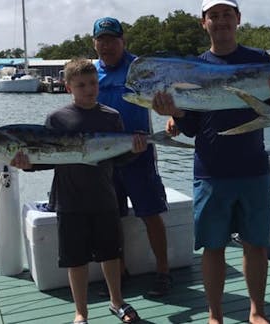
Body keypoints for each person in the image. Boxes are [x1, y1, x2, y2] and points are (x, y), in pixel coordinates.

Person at [151, 1, 270, 323]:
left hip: (254, 168)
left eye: (227, 14)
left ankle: (257, 312)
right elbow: (191, 128)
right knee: (212, 249)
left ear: (238, 19)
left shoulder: (260, 60)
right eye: (213, 15)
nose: (221, 20)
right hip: (211, 171)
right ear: (204, 23)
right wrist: (175, 112)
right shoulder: (191, 69)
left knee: (256, 245)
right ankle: (215, 316)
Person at [10, 58, 141, 324]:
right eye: (81, 85)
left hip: (105, 197)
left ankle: (117, 302)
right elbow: (46, 157)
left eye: (93, 83)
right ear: (68, 87)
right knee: (75, 259)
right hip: (69, 200)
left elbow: (118, 159)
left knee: (111, 253)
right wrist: (27, 165)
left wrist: (134, 151)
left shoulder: (111, 117)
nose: (89, 89)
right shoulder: (57, 119)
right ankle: (80, 311)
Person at [92, 16, 172, 296]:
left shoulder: (141, 68)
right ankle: (119, 271)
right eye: (101, 40)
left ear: (122, 41)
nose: (107, 46)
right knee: (111, 216)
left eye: (112, 40)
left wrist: (174, 116)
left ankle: (163, 271)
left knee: (150, 213)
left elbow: (168, 94)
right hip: (105, 156)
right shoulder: (91, 72)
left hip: (140, 152)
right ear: (94, 44)